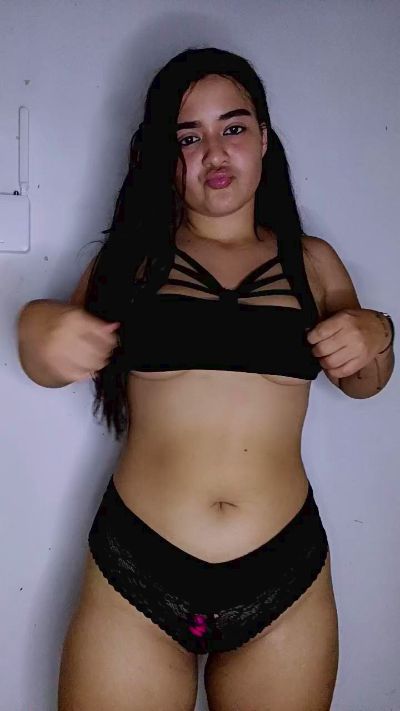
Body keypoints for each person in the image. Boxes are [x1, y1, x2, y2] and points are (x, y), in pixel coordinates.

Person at [18, 47, 395, 711]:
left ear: (265, 139)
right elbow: (48, 363)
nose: (214, 153)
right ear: (165, 156)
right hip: (137, 570)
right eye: (188, 137)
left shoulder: (313, 263)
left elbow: (366, 381)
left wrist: (379, 333)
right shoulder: (132, 261)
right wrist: (36, 328)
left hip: (284, 576)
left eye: (233, 128)